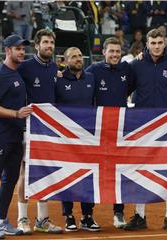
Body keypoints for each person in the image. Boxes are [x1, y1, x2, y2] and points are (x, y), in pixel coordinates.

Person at [123, 29, 167, 232]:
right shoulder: (135, 65)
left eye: (159, 42)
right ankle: (140, 215)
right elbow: (124, 91)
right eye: (153, 43)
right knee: (139, 170)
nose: (156, 46)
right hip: (142, 127)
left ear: (165, 43)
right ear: (146, 44)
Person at [0, 34, 32, 239]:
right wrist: (16, 114)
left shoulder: (17, 73)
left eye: (22, 48)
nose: (21, 52)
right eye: (17, 48)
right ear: (7, 51)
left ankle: (1, 220)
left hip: (15, 137)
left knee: (10, 180)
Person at [16, 29, 62, 234]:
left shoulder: (54, 67)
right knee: (25, 173)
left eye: (51, 42)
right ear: (36, 45)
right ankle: (22, 218)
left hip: (49, 129)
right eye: (45, 42)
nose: (49, 46)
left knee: (46, 172)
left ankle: (42, 220)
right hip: (28, 127)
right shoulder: (24, 67)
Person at [86, 37, 133, 229]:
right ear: (103, 52)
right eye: (111, 51)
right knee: (91, 171)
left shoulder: (127, 69)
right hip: (97, 130)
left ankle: (119, 213)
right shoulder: (93, 70)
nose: (114, 54)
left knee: (119, 172)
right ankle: (87, 214)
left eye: (117, 51)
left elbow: (132, 87)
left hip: (120, 129)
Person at [55, 47, 100, 232]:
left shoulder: (90, 77)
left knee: (88, 176)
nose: (78, 59)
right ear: (65, 60)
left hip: (88, 137)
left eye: (80, 55)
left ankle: (87, 216)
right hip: (66, 138)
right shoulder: (58, 79)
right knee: (69, 176)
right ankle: (69, 215)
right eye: (73, 56)